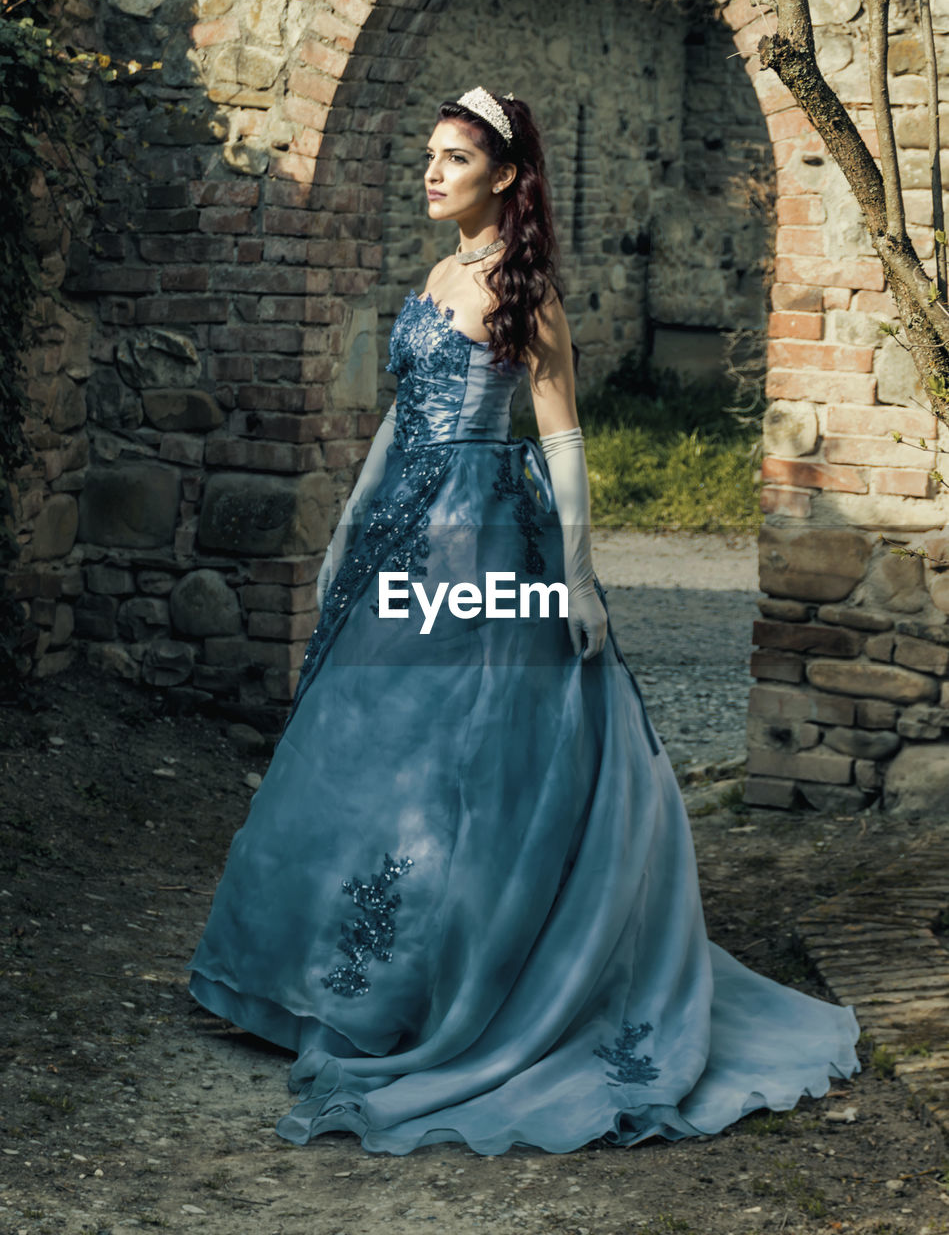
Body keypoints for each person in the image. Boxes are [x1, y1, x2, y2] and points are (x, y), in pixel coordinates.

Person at [187, 86, 860, 1156]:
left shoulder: (522, 289)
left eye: (452, 157)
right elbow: (401, 415)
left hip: (484, 535)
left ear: (503, 174)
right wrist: (347, 527)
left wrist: (581, 578)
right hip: (406, 529)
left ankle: (445, 993)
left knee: (468, 755)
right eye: (427, 154)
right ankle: (308, 987)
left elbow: (565, 442)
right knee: (366, 746)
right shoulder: (436, 275)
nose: (430, 170)